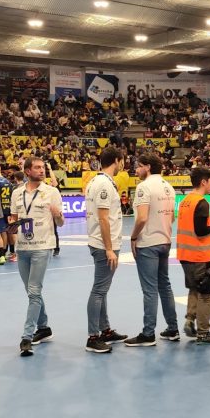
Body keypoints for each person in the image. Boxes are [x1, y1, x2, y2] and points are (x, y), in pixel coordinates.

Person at [11, 157, 64, 357]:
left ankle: (26, 337)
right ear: (27, 171)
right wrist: (11, 226)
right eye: (37, 168)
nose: (42, 171)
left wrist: (57, 214)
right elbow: (14, 218)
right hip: (22, 247)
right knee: (31, 292)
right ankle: (44, 328)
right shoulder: (17, 193)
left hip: (42, 246)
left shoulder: (52, 192)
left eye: (43, 168)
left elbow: (61, 223)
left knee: (34, 291)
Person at [126, 154, 180, 346]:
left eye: (138, 166)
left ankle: (148, 333)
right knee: (165, 286)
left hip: (148, 242)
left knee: (149, 289)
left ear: (147, 167)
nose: (136, 169)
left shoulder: (144, 187)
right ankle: (172, 328)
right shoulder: (169, 187)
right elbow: (172, 217)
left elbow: (142, 218)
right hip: (165, 240)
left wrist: (133, 237)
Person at [176, 166, 210, 344]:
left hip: (186, 254)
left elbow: (193, 229)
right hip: (201, 256)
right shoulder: (202, 202)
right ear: (204, 182)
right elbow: (200, 230)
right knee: (206, 292)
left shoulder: (185, 201)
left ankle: (190, 321)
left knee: (194, 288)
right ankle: (203, 332)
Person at [84, 147, 127, 354]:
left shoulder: (97, 181)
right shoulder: (104, 184)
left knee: (102, 289)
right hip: (104, 245)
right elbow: (103, 218)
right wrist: (109, 248)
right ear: (117, 161)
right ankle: (93, 337)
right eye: (122, 161)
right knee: (99, 290)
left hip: (100, 243)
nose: (123, 165)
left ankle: (105, 329)